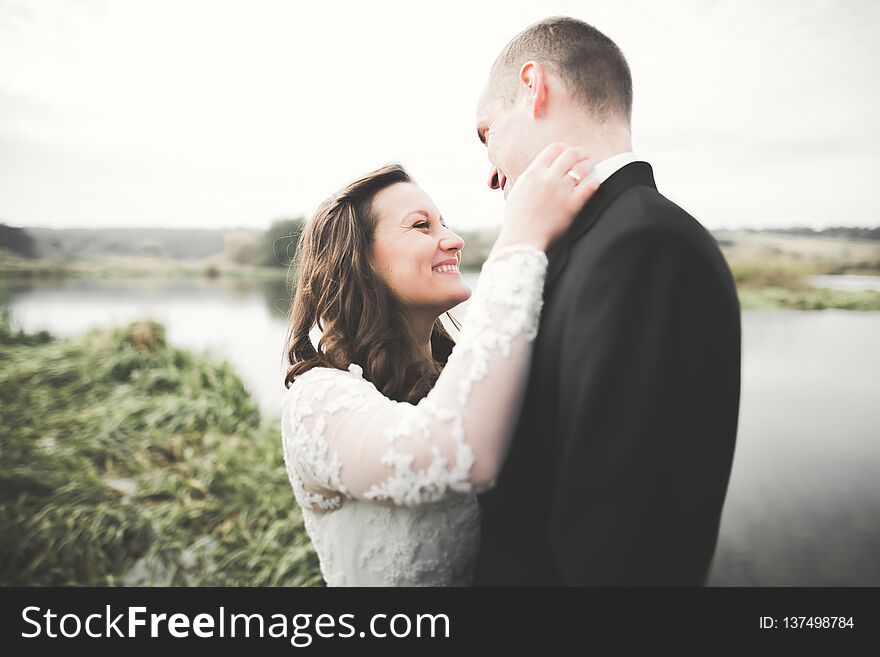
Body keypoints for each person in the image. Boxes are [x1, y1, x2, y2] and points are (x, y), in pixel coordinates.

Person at [471, 16, 741, 586]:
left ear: (532, 87)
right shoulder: (588, 240)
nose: (490, 175)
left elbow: (625, 542)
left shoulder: (647, 246)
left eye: (485, 133)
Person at [281, 146, 599, 585]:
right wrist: (518, 243)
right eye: (421, 226)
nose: (453, 239)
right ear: (359, 261)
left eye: (444, 223)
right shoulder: (315, 401)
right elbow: (449, 454)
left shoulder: (462, 374)